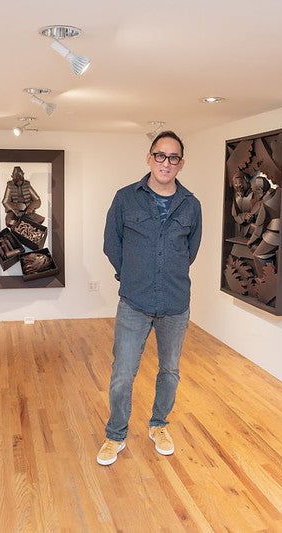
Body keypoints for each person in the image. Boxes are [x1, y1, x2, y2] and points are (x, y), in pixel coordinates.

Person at [97, 131, 202, 466]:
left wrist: (164, 274)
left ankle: (159, 425)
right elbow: (111, 244)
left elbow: (190, 251)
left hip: (175, 304)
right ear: (149, 158)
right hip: (134, 302)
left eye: (173, 158)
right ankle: (115, 434)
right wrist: (130, 275)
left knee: (169, 370)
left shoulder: (191, 205)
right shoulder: (126, 198)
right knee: (123, 373)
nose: (166, 163)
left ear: (181, 163)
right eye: (160, 155)